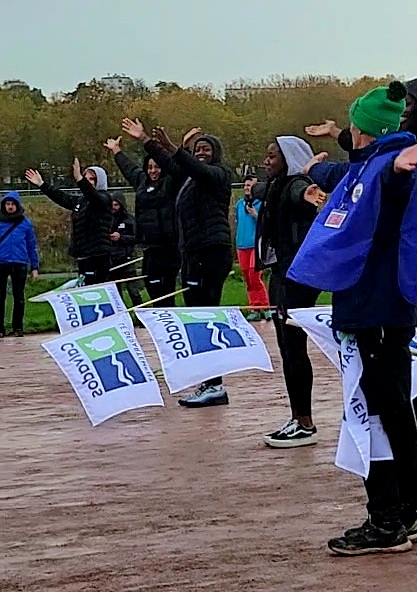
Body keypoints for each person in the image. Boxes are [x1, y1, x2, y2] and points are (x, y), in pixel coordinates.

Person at [307, 80, 417, 483]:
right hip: (413, 257)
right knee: (411, 350)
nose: (405, 110)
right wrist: (338, 134)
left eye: (412, 104)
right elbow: (369, 160)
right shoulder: (403, 145)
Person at [291, 82, 417, 555]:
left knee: (380, 413)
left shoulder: (391, 165)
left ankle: (386, 521)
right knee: (394, 410)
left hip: (378, 305)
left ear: (361, 128)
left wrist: (396, 169)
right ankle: (404, 516)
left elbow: (391, 185)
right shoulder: (371, 161)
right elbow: (357, 171)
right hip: (381, 304)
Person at [122, 119, 234, 408]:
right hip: (193, 254)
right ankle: (209, 382)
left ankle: (215, 384)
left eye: (207, 149)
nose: (201, 153)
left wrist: (174, 148)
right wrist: (147, 141)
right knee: (196, 319)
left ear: (216, 153)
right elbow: (172, 167)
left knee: (205, 318)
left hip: (210, 252)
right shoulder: (189, 178)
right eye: (198, 149)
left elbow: (195, 168)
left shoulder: (218, 174)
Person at [256, 135, 325, 448]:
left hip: (298, 276)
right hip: (281, 271)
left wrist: (311, 194)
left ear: (289, 158)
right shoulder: (275, 185)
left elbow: (301, 193)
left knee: (294, 346)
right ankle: (298, 416)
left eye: (273, 156)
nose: (267, 161)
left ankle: (305, 422)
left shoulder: (296, 183)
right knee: (287, 346)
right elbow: (266, 191)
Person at [106, 135, 181, 306]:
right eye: (150, 167)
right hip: (149, 247)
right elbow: (129, 168)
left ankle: (170, 321)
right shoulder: (142, 182)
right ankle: (159, 320)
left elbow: (178, 167)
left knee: (167, 291)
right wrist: (117, 151)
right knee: (152, 288)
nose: (153, 171)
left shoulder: (170, 183)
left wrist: (172, 147)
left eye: (157, 167)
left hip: (169, 247)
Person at [26, 160, 113, 283]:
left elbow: (93, 196)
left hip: (98, 255)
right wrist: (42, 184)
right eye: (86, 178)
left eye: (92, 179)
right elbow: (62, 198)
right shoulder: (81, 201)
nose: (88, 181)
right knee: (84, 290)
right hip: (83, 254)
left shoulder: (104, 199)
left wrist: (79, 179)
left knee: (96, 289)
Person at [0, 192, 39, 337]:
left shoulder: (25, 223)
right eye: (7, 204)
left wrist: (34, 267)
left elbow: (31, 245)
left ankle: (18, 327)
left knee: (19, 297)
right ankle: (0, 328)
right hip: (1, 262)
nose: (10, 207)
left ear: (17, 205)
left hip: (19, 262)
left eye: (12, 204)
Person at [236, 177, 270, 319]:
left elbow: (266, 223)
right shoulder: (239, 204)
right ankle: (254, 308)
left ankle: (265, 305)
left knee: (254, 275)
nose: (246, 188)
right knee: (247, 278)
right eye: (245, 185)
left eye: (249, 185)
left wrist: (256, 215)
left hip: (255, 245)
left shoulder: (261, 204)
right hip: (241, 245)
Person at [108, 192, 145, 305]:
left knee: (133, 291)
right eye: (112, 205)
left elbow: (137, 238)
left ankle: (141, 314)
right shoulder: (107, 219)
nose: (114, 208)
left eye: (116, 205)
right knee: (115, 293)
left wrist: (121, 237)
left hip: (127, 260)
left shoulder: (129, 220)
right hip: (112, 261)